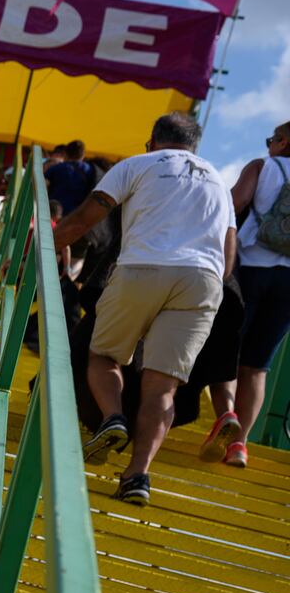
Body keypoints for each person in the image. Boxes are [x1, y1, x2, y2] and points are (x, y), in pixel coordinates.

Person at [52, 112, 236, 504]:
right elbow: (229, 252)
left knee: (103, 355)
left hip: (142, 268)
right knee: (163, 386)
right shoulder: (218, 180)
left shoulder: (136, 165)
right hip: (202, 280)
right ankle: (138, 475)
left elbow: (86, 218)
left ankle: (113, 417)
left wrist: (48, 245)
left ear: (152, 140)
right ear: (195, 147)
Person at [203, 119, 290, 468]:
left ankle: (226, 415)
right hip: (289, 281)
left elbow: (233, 205)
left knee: (226, 349)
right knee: (258, 367)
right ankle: (239, 446)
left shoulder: (262, 166)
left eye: (272, 139)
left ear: (282, 141)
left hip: (251, 270)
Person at [44, 139, 97, 216]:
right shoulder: (91, 170)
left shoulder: (56, 168)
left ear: (66, 154)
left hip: (54, 212)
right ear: (83, 155)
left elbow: (43, 185)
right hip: (76, 215)